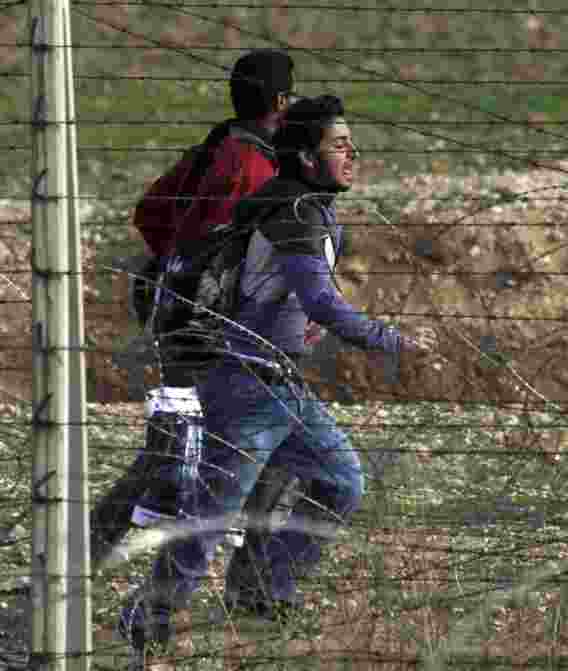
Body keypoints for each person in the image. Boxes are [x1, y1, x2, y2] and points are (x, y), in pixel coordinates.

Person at [119, 94, 436, 653]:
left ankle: (261, 589)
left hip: (278, 382)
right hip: (245, 384)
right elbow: (322, 302)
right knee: (212, 515)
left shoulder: (303, 206)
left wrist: (297, 326)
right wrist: (393, 342)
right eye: (339, 146)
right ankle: (147, 618)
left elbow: (296, 298)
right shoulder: (294, 213)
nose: (353, 155)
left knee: (340, 481)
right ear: (307, 158)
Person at [92, 49, 300, 567]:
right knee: (273, 433)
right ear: (280, 101)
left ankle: (88, 553)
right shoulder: (253, 167)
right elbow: (237, 249)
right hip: (216, 325)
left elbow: (150, 212)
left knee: (183, 445)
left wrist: (177, 263)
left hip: (179, 309)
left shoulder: (215, 149)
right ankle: (242, 580)